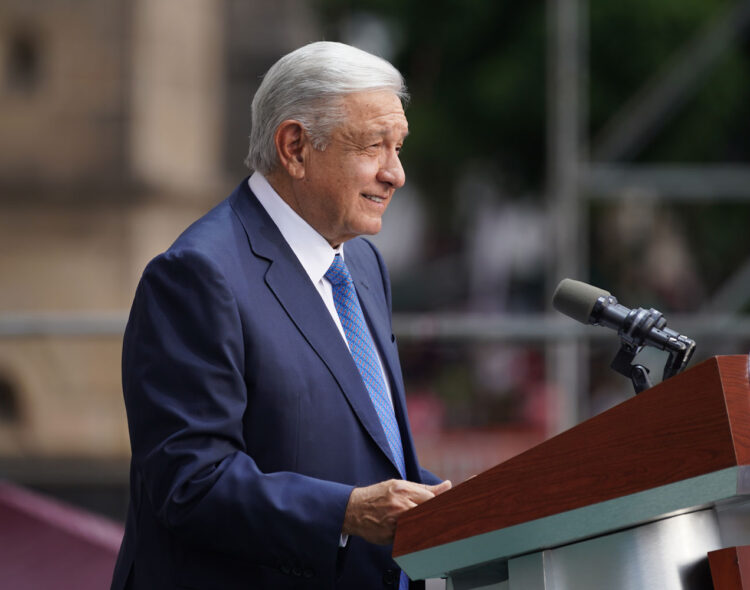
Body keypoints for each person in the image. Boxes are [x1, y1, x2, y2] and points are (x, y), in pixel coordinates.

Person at [110, 41, 451, 590]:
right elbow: (191, 482)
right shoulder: (197, 275)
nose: (396, 173)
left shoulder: (362, 263)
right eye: (373, 146)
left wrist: (461, 502)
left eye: (398, 147)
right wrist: (345, 511)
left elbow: (366, 449)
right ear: (294, 147)